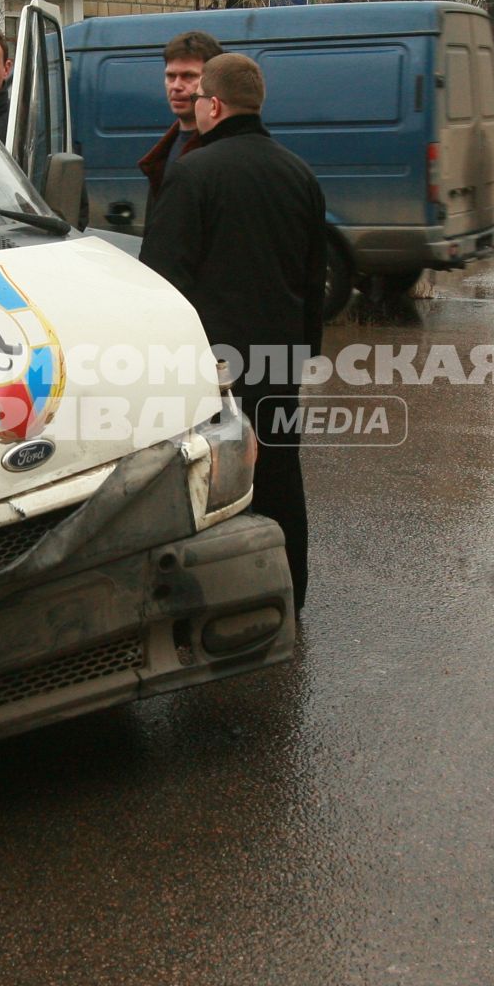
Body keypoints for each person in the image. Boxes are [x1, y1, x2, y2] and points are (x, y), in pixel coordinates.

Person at [140, 53, 326, 611]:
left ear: (213, 105)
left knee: (209, 479)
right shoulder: (299, 173)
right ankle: (291, 590)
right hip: (280, 357)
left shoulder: (194, 173)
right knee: (280, 473)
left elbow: (162, 281)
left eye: (197, 98)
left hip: (213, 363)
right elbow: (313, 276)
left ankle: (215, 599)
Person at [137, 30, 223, 216]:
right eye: (170, 76)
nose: (176, 86)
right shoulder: (164, 151)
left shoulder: (225, 154)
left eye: (188, 76)